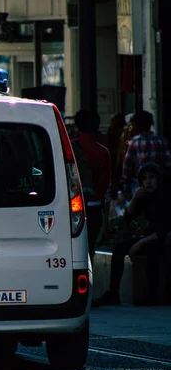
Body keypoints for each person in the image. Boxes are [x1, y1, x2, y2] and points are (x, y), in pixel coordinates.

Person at [94, 162, 171, 307]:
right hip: (150, 237)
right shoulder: (145, 196)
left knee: (153, 251)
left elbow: (164, 229)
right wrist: (135, 199)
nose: (148, 182)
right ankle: (113, 293)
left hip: (163, 238)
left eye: (152, 178)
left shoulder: (166, 197)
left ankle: (152, 296)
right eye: (145, 178)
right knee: (119, 248)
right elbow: (127, 219)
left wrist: (140, 243)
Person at [72, 109, 111, 260]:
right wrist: (106, 215)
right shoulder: (102, 151)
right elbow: (105, 186)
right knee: (90, 249)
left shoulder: (69, 148)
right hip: (94, 208)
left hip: (72, 207)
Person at [121, 110, 171, 198]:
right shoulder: (161, 140)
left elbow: (127, 164)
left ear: (137, 126)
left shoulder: (134, 141)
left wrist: (125, 179)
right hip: (159, 182)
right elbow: (168, 162)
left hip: (142, 181)